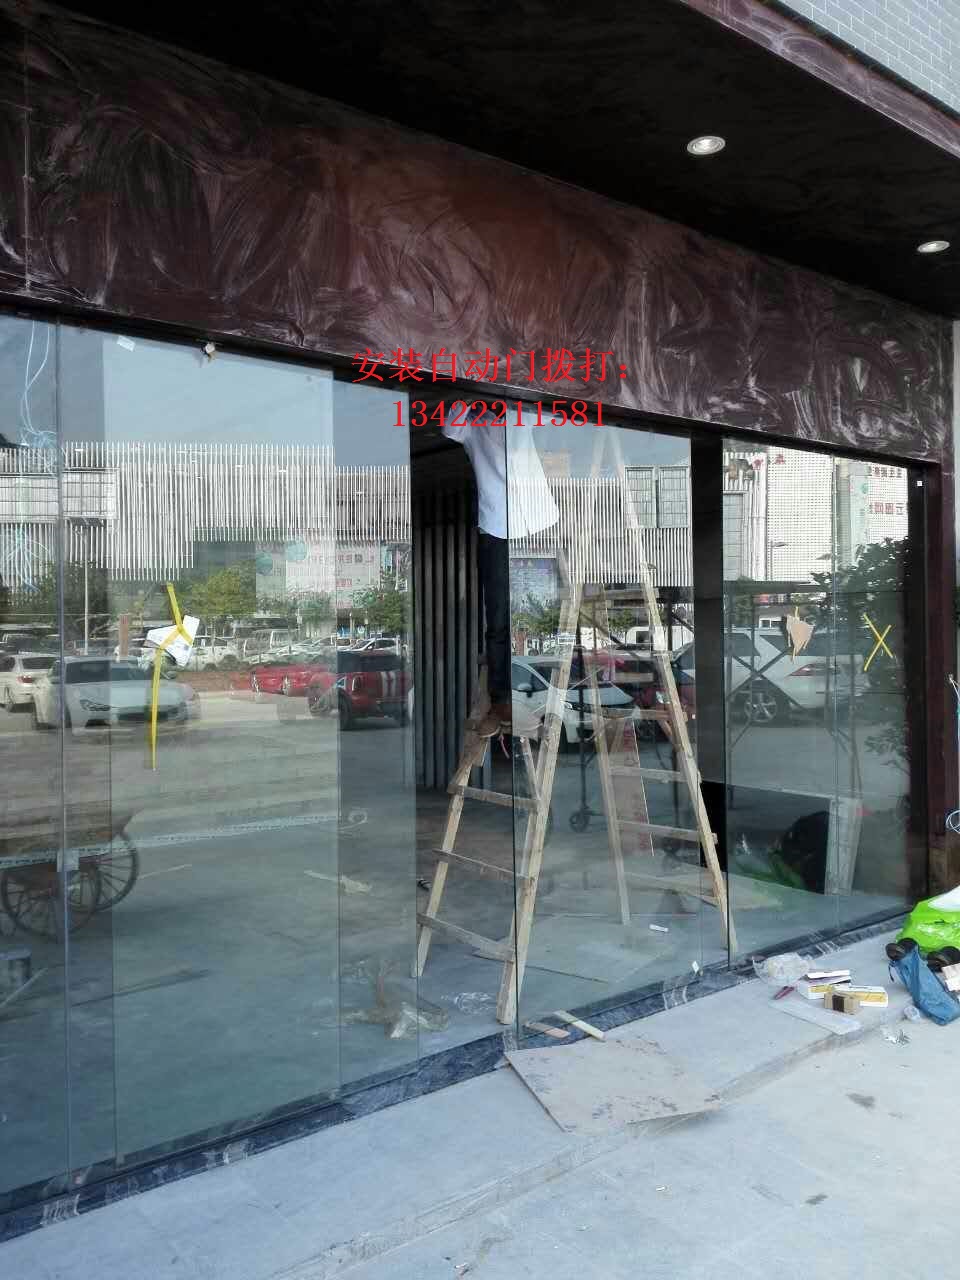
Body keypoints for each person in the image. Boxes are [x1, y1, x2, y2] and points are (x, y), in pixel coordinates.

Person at [443, 401, 558, 735]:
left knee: (545, 612)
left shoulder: (521, 413)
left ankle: (545, 693)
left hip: (536, 521)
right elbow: (449, 427)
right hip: (496, 526)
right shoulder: (472, 424)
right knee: (497, 618)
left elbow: (555, 412)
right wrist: (468, 395)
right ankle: (501, 699)